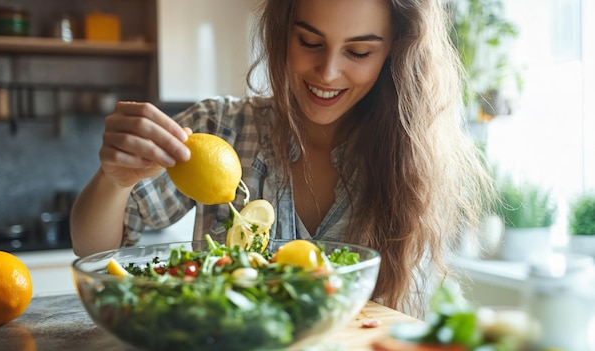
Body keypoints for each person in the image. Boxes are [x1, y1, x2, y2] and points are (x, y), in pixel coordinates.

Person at [70, 0, 495, 318]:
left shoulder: (410, 161)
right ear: (281, 33)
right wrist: (114, 179)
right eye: (309, 42)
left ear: (394, 54)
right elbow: (95, 248)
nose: (327, 72)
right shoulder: (217, 127)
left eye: (359, 52)